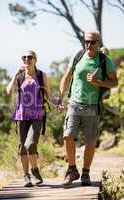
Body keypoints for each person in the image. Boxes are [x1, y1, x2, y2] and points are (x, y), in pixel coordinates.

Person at [59, 31, 118, 186]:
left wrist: (98, 82)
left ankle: (85, 173)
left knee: (90, 142)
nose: (89, 45)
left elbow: (114, 83)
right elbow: (66, 78)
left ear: (99, 43)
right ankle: (72, 170)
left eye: (92, 42)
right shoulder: (77, 56)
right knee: (67, 135)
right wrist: (60, 98)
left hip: (92, 106)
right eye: (86, 41)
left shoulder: (106, 60)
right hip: (74, 104)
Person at [7, 50, 50, 187]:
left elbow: (48, 95)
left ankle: (35, 170)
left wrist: (58, 103)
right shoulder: (19, 76)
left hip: (37, 115)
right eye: (24, 57)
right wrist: (15, 74)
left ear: (35, 59)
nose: (26, 59)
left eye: (29, 57)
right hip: (21, 115)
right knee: (22, 148)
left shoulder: (41, 75)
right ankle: (26, 176)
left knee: (30, 144)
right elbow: (9, 91)